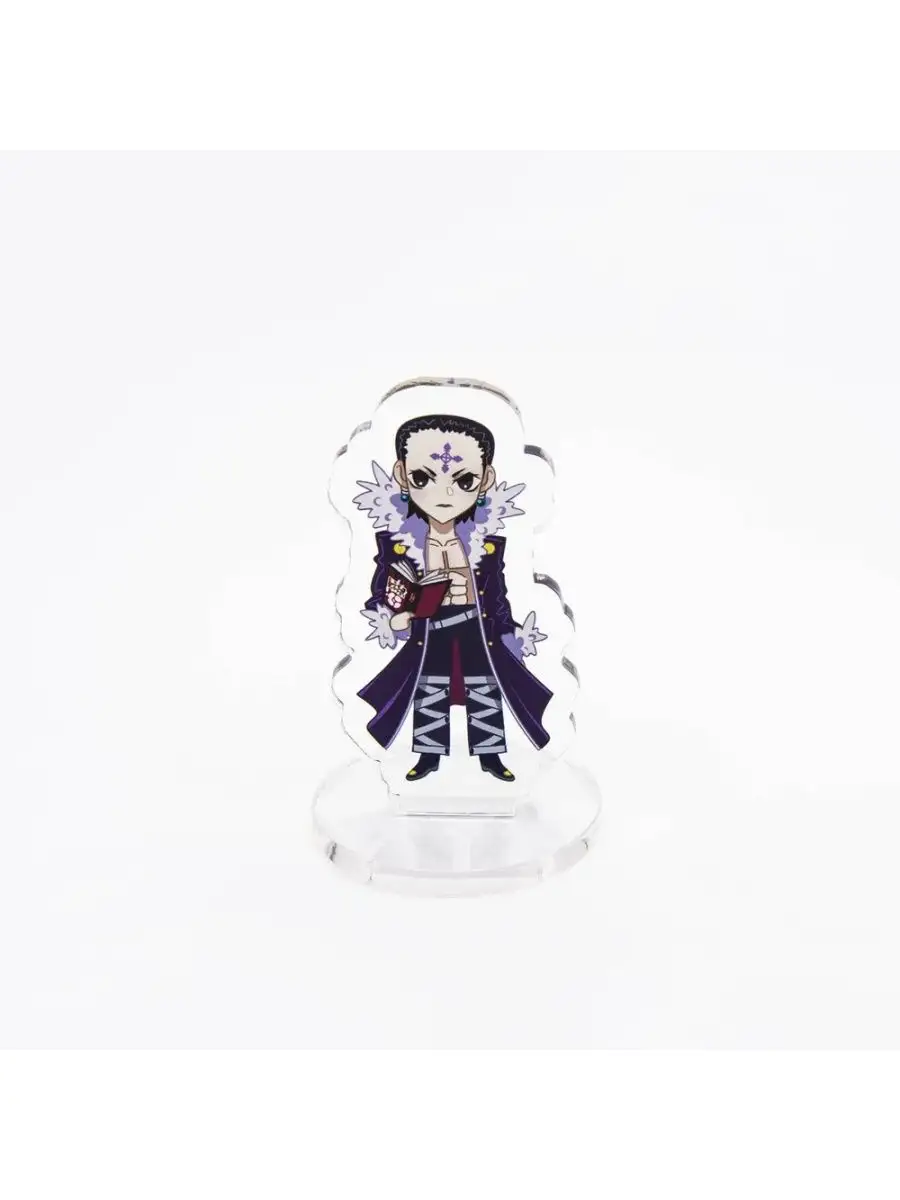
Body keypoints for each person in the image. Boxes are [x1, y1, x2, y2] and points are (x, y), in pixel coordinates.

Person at [354, 414, 552, 782]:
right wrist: (397, 615)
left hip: (476, 628)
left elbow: (497, 595)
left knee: (485, 689)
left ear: (486, 480)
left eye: (463, 481)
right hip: (429, 631)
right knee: (429, 690)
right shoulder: (398, 544)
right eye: (422, 478)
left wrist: (507, 633)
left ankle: (491, 756)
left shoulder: (487, 543)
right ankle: (428, 756)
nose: (444, 495)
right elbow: (381, 592)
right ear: (401, 474)